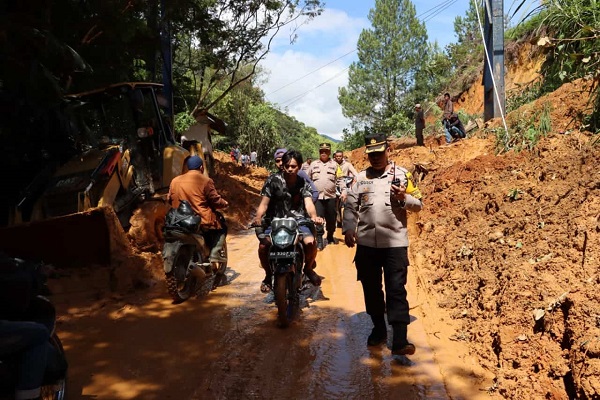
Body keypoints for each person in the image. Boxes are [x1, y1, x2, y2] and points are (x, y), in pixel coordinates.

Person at [342, 133, 423, 356]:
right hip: (367, 245)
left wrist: (404, 198)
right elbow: (350, 207)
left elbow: (419, 204)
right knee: (372, 289)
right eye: (371, 154)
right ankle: (379, 329)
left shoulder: (402, 175)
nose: (375, 158)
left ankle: (399, 340)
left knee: (396, 290)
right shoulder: (359, 179)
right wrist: (348, 228)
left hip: (395, 244)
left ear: (388, 151)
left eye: (379, 153)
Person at [252, 150, 323, 293]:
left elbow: (308, 203)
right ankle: (267, 275)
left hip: (299, 221)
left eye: (294, 166)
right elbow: (264, 203)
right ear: (283, 166)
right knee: (263, 247)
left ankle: (308, 269)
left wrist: (314, 217)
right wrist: (258, 217)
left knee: (310, 242)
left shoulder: (303, 182)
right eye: (287, 166)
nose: (290, 169)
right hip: (275, 221)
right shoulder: (272, 180)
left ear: (300, 166)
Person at [168, 156, 229, 282]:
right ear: (201, 167)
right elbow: (215, 200)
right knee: (221, 229)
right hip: (200, 221)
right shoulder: (206, 181)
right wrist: (225, 203)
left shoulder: (175, 181)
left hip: (177, 220)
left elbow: (169, 199)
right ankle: (214, 255)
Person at [307, 143, 343, 249]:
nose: (323, 153)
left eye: (326, 151)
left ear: (329, 152)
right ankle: (319, 239)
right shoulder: (313, 165)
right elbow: (307, 179)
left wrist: (344, 191)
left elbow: (340, 180)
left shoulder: (336, 165)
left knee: (331, 218)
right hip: (317, 197)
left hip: (331, 197)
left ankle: (330, 236)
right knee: (318, 218)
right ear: (319, 152)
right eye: (321, 151)